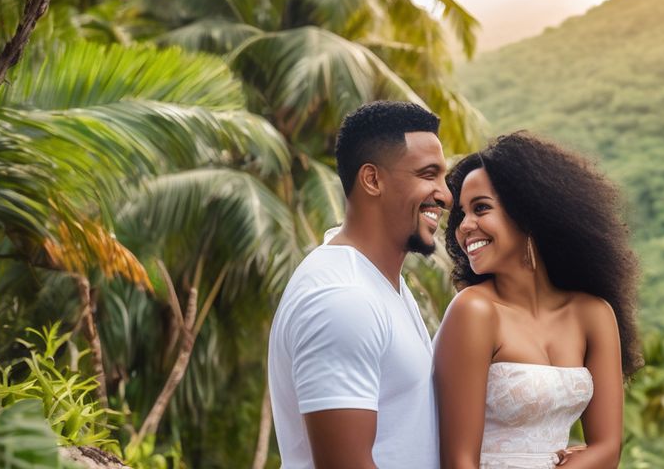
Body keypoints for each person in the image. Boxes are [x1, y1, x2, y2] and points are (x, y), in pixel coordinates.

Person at [433, 132, 643, 469]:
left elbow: (607, 449)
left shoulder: (593, 314)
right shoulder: (474, 311)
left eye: (481, 208)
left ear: (529, 214)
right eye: (461, 214)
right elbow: (459, 461)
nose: (464, 227)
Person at [268, 101, 451, 469]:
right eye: (428, 175)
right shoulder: (342, 298)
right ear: (372, 179)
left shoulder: (382, 284)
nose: (445, 195)